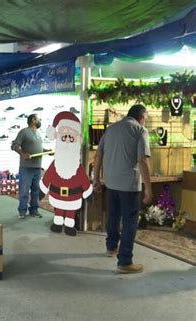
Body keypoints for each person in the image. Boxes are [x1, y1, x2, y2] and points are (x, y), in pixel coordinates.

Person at [93, 104, 152, 274]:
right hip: (129, 185)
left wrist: (95, 179)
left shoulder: (111, 129)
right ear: (141, 117)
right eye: (146, 119)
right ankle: (125, 261)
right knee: (129, 221)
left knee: (113, 215)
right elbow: (142, 160)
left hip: (111, 183)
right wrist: (148, 189)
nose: (145, 122)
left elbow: (98, 155)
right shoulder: (140, 130)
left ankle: (111, 247)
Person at [39, 111, 93, 236]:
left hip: (73, 196)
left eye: (71, 137)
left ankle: (69, 225)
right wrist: (42, 189)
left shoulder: (76, 166)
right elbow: (48, 176)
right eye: (64, 137)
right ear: (57, 136)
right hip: (57, 194)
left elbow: (83, 179)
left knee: (70, 211)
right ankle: (57, 223)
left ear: (77, 139)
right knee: (58, 210)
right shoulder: (56, 163)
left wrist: (88, 192)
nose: (67, 140)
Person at [11, 114, 49, 219]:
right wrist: (22, 154)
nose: (40, 120)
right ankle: (22, 211)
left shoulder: (39, 133)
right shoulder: (24, 132)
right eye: (39, 119)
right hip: (26, 167)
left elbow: (39, 148)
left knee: (36, 190)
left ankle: (34, 210)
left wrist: (47, 151)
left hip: (37, 168)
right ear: (33, 120)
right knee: (24, 190)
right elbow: (14, 145)